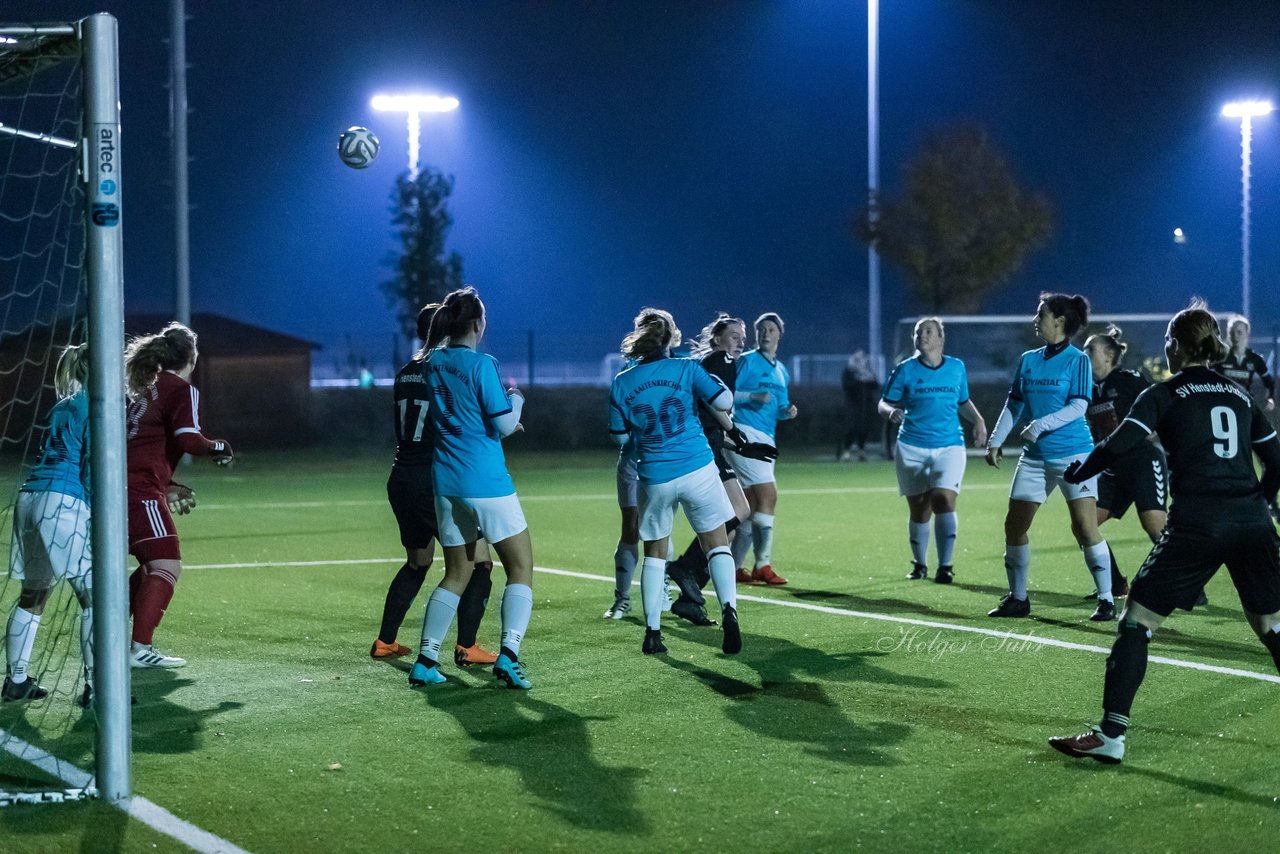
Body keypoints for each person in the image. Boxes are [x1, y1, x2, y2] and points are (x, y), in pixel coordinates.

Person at [1049, 301, 1280, 764]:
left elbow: (1123, 443)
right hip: (1254, 522)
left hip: (1198, 523)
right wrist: (1258, 500)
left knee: (1136, 622)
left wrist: (1082, 470)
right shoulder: (1239, 395)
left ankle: (1111, 734)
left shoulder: (1165, 392)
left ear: (1174, 346)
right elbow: (1276, 463)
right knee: (1270, 626)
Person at [408, 286, 534, 690]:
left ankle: (426, 660)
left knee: (456, 573)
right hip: (487, 482)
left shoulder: (432, 362)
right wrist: (517, 401)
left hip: (446, 482)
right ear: (479, 323)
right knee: (521, 568)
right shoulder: (483, 364)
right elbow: (500, 424)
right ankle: (509, 657)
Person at [608, 308, 747, 655]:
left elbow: (619, 437)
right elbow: (724, 402)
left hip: (654, 474)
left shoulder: (622, 381)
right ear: (672, 338)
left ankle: (653, 633)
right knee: (717, 543)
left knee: (654, 554)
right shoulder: (687, 368)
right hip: (698, 468)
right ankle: (730, 613)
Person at [373, 302, 497, 667]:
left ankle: (386, 641)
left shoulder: (406, 370)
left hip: (401, 477)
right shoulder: (441, 371)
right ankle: (467, 646)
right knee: (479, 563)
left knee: (418, 561)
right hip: (432, 478)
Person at [984, 293, 1116, 621]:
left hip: (1074, 456)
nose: (1035, 318)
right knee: (1014, 526)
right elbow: (1014, 403)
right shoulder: (1028, 359)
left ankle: (1107, 598)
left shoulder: (1077, 360)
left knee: (1085, 527)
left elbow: (1079, 406)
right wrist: (995, 440)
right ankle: (1018, 598)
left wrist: (1041, 424)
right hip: (1034, 458)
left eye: (1040, 313)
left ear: (1059, 320)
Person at [125, 322, 234, 668]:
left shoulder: (142, 387)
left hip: (115, 486)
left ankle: (109, 638)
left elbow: (143, 442)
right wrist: (221, 447)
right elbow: (190, 439)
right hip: (139, 491)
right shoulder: (179, 388)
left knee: (148, 565)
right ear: (192, 357)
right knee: (166, 565)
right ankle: (139, 649)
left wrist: (167, 483)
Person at [3, 345, 94, 705]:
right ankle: (97, 688)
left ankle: (17, 681)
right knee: (96, 598)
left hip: (31, 496)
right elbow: (91, 465)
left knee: (35, 593)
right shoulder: (98, 407)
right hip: (63, 500)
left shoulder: (63, 405)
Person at [878, 318, 987, 584]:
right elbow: (883, 402)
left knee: (943, 498)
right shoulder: (905, 370)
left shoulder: (956, 367)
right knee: (919, 508)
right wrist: (891, 411)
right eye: (918, 332)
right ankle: (920, 564)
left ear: (941, 338)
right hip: (912, 446)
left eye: (929, 331)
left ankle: (946, 566)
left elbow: (962, 401)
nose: (922, 335)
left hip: (949, 445)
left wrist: (979, 421)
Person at [665, 314, 755, 626]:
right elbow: (715, 405)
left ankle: (690, 597)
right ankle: (686, 569)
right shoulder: (722, 360)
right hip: (705, 450)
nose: (740, 342)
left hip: (710, 446)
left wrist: (731, 440)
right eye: (734, 335)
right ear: (717, 339)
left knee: (733, 518)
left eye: (742, 337)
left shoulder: (711, 361)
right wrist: (735, 433)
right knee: (735, 513)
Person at [1083, 325, 1167, 601]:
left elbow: (1158, 409)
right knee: (1084, 524)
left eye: (1090, 349)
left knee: (1155, 527)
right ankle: (1116, 584)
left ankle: (1191, 585)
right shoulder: (1088, 389)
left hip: (1142, 462)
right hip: (1111, 469)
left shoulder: (1129, 380)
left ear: (1108, 355)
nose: (1084, 353)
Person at [725, 312, 798, 586]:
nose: (766, 333)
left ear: (780, 334)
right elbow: (724, 394)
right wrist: (751, 396)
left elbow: (778, 407)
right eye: (761, 329)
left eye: (771, 329)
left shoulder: (781, 370)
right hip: (743, 435)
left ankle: (733, 567)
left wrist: (786, 412)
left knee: (750, 505)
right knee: (769, 495)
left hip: (766, 439)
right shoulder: (746, 362)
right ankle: (762, 565)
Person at [1213, 315, 1276, 413]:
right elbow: (1203, 373)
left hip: (1244, 404)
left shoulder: (1255, 359)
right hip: (1222, 404)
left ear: (1247, 333)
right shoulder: (1220, 356)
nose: (1235, 336)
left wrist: (1270, 398)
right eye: (1232, 333)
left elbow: (1269, 382)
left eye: (1239, 332)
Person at [840, 350, 881, 461]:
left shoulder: (867, 372)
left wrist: (869, 379)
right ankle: (846, 450)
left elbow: (876, 385)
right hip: (853, 405)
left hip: (866, 405)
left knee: (864, 428)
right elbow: (846, 385)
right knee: (852, 427)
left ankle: (861, 451)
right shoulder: (849, 371)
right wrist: (859, 381)